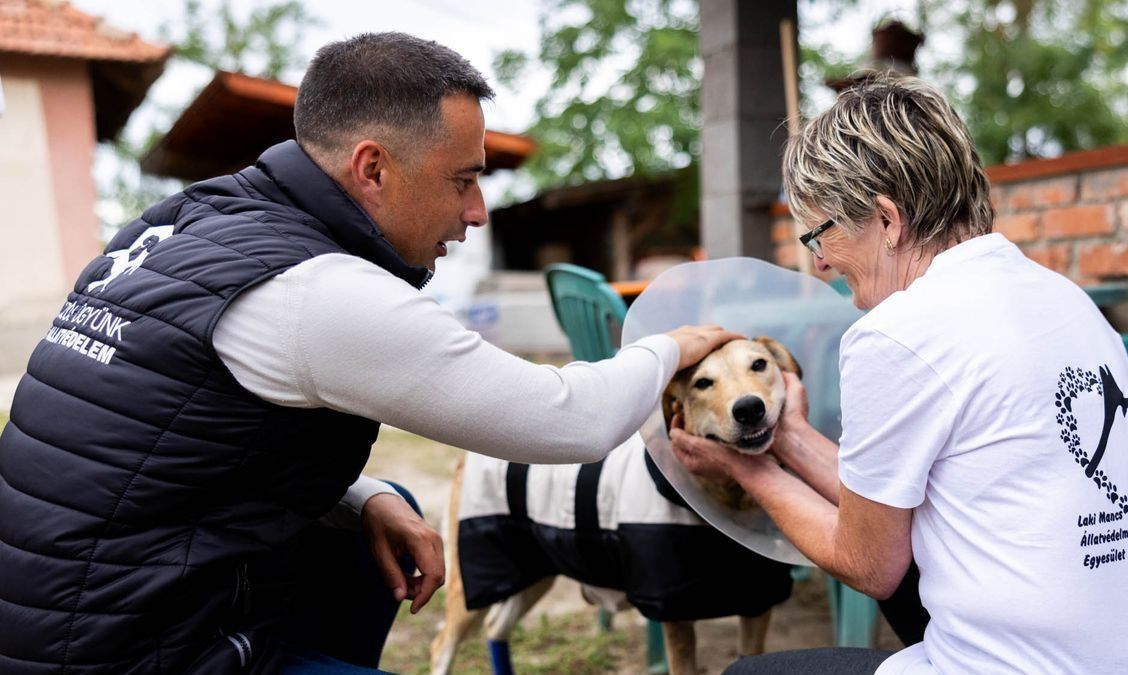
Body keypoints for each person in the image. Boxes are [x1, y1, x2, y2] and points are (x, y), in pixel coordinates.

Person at [0, 32, 737, 674]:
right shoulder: (316, 289)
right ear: (373, 168)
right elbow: (569, 421)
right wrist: (670, 345)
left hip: (55, 617)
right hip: (120, 653)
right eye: (464, 178)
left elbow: (168, 450)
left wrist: (362, 495)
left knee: (392, 506)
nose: (477, 211)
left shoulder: (183, 222)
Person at [670, 76, 1128, 674]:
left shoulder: (896, 334)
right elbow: (883, 508)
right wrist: (786, 435)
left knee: (748, 674)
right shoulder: (1062, 295)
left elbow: (868, 562)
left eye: (820, 234)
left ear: (887, 221)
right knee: (912, 570)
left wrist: (746, 467)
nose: (818, 261)